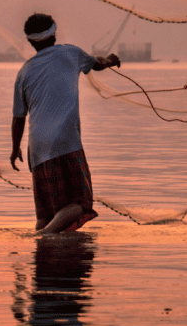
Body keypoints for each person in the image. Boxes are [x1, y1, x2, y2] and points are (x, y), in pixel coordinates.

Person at [10, 13, 120, 234]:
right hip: (65, 142)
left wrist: (15, 149)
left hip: (37, 148)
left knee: (45, 214)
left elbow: (18, 117)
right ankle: (43, 236)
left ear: (31, 41)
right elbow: (97, 64)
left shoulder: (24, 72)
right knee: (81, 203)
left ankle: (41, 248)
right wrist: (110, 60)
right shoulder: (70, 53)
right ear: (54, 34)